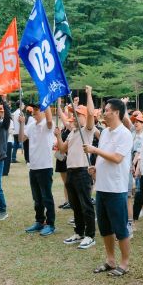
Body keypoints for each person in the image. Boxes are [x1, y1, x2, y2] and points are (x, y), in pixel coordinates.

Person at [84, 96, 133, 277]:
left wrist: (95, 150)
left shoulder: (125, 134)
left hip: (116, 188)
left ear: (116, 112)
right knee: (105, 228)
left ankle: (125, 263)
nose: (104, 112)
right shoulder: (105, 132)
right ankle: (110, 260)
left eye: (106, 110)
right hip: (102, 187)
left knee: (120, 228)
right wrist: (94, 168)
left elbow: (117, 158)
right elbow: (104, 157)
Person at [56, 94, 96, 249]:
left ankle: (90, 235)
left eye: (79, 115)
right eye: (75, 114)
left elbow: (92, 113)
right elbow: (62, 148)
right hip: (71, 171)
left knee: (86, 205)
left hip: (83, 171)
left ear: (85, 117)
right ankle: (79, 232)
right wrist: (59, 136)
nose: (75, 117)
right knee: (75, 205)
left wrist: (89, 94)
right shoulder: (72, 132)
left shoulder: (87, 130)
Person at [19, 103, 56, 237]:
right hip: (33, 167)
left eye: (36, 110)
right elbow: (21, 139)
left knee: (47, 197)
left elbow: (51, 120)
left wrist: (45, 102)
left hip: (45, 167)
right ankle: (39, 221)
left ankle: (50, 224)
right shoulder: (31, 125)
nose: (33, 112)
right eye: (32, 110)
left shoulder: (47, 125)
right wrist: (22, 124)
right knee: (37, 198)